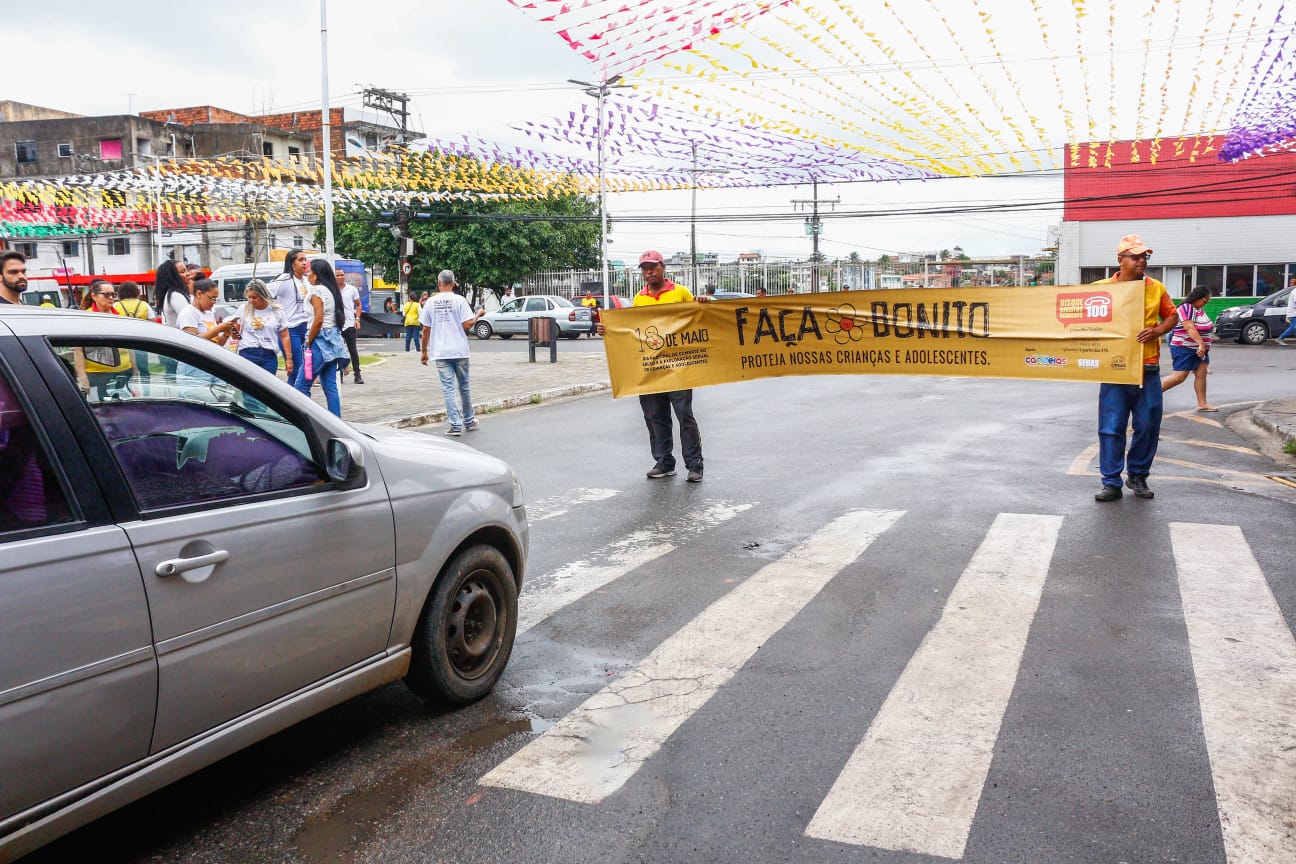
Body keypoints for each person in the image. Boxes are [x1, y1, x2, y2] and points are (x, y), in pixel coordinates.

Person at [598, 250, 708, 483]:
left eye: (653, 267)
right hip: (650, 367)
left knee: (684, 416)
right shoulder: (639, 299)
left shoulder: (681, 293)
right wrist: (608, 331)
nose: (648, 272)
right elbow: (633, 330)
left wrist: (702, 305)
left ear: (662, 267)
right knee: (654, 416)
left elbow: (699, 321)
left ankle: (695, 465)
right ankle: (664, 461)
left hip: (678, 367)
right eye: (644, 268)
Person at [1092, 235, 1178, 502]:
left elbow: (1172, 315)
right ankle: (1111, 482)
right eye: (1136, 256)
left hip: (1148, 368)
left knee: (1148, 424)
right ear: (1121, 260)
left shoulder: (1156, 288)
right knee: (1111, 427)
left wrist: (1157, 331)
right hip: (1114, 369)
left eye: (1145, 257)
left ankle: (1138, 476)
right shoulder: (1100, 288)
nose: (1142, 261)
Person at [420, 269, 484, 436]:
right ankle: (469, 420)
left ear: (439, 283)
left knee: (448, 388)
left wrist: (423, 352)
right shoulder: (460, 300)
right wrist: (478, 315)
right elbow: (467, 325)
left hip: (440, 352)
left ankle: (455, 425)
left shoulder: (431, 302)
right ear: (454, 283)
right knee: (464, 387)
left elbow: (426, 329)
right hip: (460, 350)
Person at [293, 260, 349, 417]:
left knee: (301, 385)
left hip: (319, 341)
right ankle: (336, 420)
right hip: (333, 341)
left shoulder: (316, 291)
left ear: (316, 275)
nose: (308, 275)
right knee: (330, 385)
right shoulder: (331, 291)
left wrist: (309, 340)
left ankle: (304, 419)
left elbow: (318, 319)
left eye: (310, 272)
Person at [1162, 286, 1216, 411]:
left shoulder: (1199, 310)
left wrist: (1203, 346)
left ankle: (1202, 403)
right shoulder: (1186, 308)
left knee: (1201, 373)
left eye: (1207, 300)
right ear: (1197, 298)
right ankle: (1150, 396)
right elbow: (1189, 328)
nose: (1206, 303)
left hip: (1198, 349)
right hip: (1184, 347)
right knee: (1179, 376)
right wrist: (1201, 344)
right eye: (1205, 300)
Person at [80, 279, 136, 399]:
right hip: (97, 375)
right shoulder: (86, 318)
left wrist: (135, 369)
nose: (111, 298)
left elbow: (129, 346)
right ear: (94, 296)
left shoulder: (120, 316)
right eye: (106, 294)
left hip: (124, 373)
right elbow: (78, 350)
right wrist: (82, 377)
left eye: (113, 294)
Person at [268, 249, 312, 386]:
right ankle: (292, 401)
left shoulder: (307, 281)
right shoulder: (284, 279)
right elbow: (263, 293)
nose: (304, 263)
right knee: (297, 369)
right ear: (292, 263)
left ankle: (297, 399)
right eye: (300, 260)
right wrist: (275, 314)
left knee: (308, 369)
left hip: (306, 328)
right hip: (290, 329)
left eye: (305, 260)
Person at [235, 279, 292, 379]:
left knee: (266, 389)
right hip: (248, 353)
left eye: (254, 297)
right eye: (249, 297)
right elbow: (236, 332)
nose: (251, 300)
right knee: (248, 388)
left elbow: (285, 335)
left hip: (269, 356)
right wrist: (232, 331)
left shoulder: (276, 311)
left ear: (263, 295)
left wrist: (288, 358)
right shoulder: (244, 309)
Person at [114, 281, 154, 387]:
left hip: (123, 343)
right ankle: (147, 391)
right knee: (144, 369)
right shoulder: (144, 305)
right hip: (142, 341)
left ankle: (130, 389)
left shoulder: (116, 305)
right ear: (137, 292)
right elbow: (153, 323)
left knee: (128, 369)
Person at [336, 268, 364, 383]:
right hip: (336, 324)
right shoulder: (332, 290)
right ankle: (340, 374)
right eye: (337, 275)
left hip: (349, 323)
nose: (340, 277)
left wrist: (357, 319)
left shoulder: (351, 289)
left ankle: (357, 375)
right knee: (338, 350)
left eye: (342, 275)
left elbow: (358, 304)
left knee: (353, 350)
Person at [1277, 277, 1296, 345]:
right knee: (1293, 327)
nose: (1290, 284)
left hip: (1293, 312)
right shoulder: (1295, 291)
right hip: (1293, 313)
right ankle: (1280, 338)